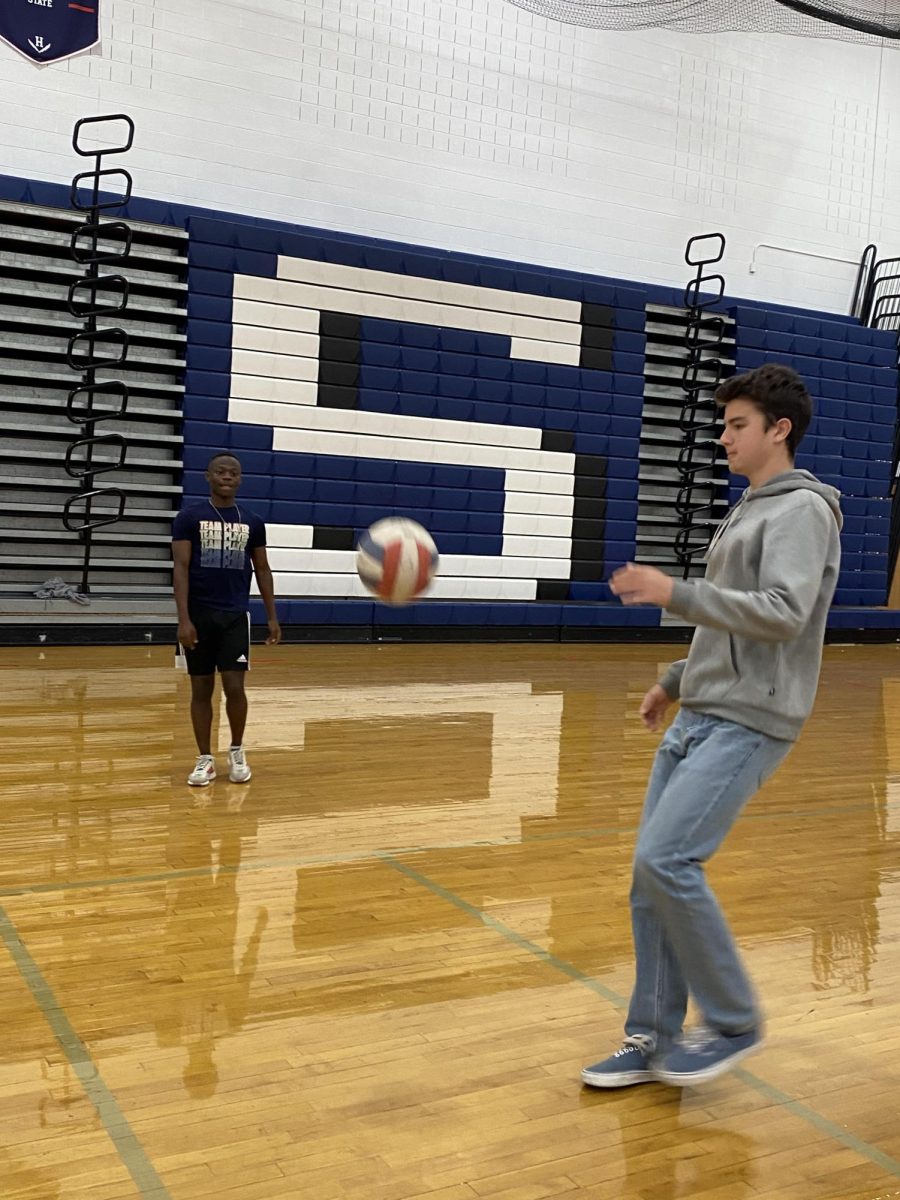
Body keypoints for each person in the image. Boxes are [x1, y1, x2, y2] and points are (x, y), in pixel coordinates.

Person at [582, 364, 842, 1089]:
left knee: (669, 860)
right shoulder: (752, 505)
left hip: (752, 720)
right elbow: (729, 620)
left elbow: (783, 613)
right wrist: (675, 679)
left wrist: (675, 591)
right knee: (648, 878)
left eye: (736, 424)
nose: (722, 435)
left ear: (777, 429)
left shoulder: (803, 512)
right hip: (702, 712)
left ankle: (733, 1020)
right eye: (723, 423)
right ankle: (652, 1036)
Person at [172, 452, 281, 786]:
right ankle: (204, 758)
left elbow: (262, 568)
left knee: (235, 687)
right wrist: (183, 619)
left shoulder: (252, 521)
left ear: (240, 479)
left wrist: (272, 615)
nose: (227, 476)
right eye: (220, 471)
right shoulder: (189, 517)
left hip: (235, 617)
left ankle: (236, 750)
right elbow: (180, 567)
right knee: (201, 689)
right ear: (207, 476)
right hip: (199, 617)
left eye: (233, 472)